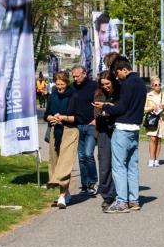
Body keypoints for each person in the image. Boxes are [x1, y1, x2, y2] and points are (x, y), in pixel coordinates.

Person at [98, 57, 145, 213]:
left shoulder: (127, 84)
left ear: (124, 69)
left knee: (118, 166)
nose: (117, 77)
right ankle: (134, 200)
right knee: (132, 166)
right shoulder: (141, 83)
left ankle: (121, 202)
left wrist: (105, 106)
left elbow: (121, 108)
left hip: (123, 127)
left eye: (118, 73)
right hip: (135, 128)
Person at [45, 73, 80, 207]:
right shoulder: (52, 95)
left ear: (67, 83)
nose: (59, 87)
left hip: (70, 131)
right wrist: (51, 118)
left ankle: (61, 197)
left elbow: (78, 118)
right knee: (55, 162)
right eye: (57, 84)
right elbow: (47, 114)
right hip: (55, 131)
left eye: (62, 85)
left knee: (65, 163)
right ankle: (65, 192)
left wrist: (63, 118)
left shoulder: (74, 96)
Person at [69, 65, 98, 194]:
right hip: (78, 125)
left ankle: (93, 182)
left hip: (91, 125)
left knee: (88, 154)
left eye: (77, 76)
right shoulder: (72, 87)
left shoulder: (94, 86)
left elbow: (101, 102)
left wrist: (96, 118)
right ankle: (84, 184)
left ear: (84, 74)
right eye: (73, 76)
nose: (75, 78)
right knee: (81, 157)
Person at [92, 71, 118, 209]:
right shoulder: (98, 94)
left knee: (119, 165)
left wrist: (109, 111)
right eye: (103, 84)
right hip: (103, 131)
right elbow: (97, 114)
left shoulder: (119, 94)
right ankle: (108, 195)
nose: (105, 86)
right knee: (104, 165)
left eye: (107, 84)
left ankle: (121, 193)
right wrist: (107, 112)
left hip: (117, 131)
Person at [144, 78, 164, 167]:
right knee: (153, 139)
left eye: (159, 84)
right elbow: (144, 109)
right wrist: (152, 108)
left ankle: (156, 159)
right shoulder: (148, 96)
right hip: (152, 120)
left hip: (161, 121)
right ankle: (151, 159)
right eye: (156, 85)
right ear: (152, 86)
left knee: (158, 140)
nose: (158, 86)